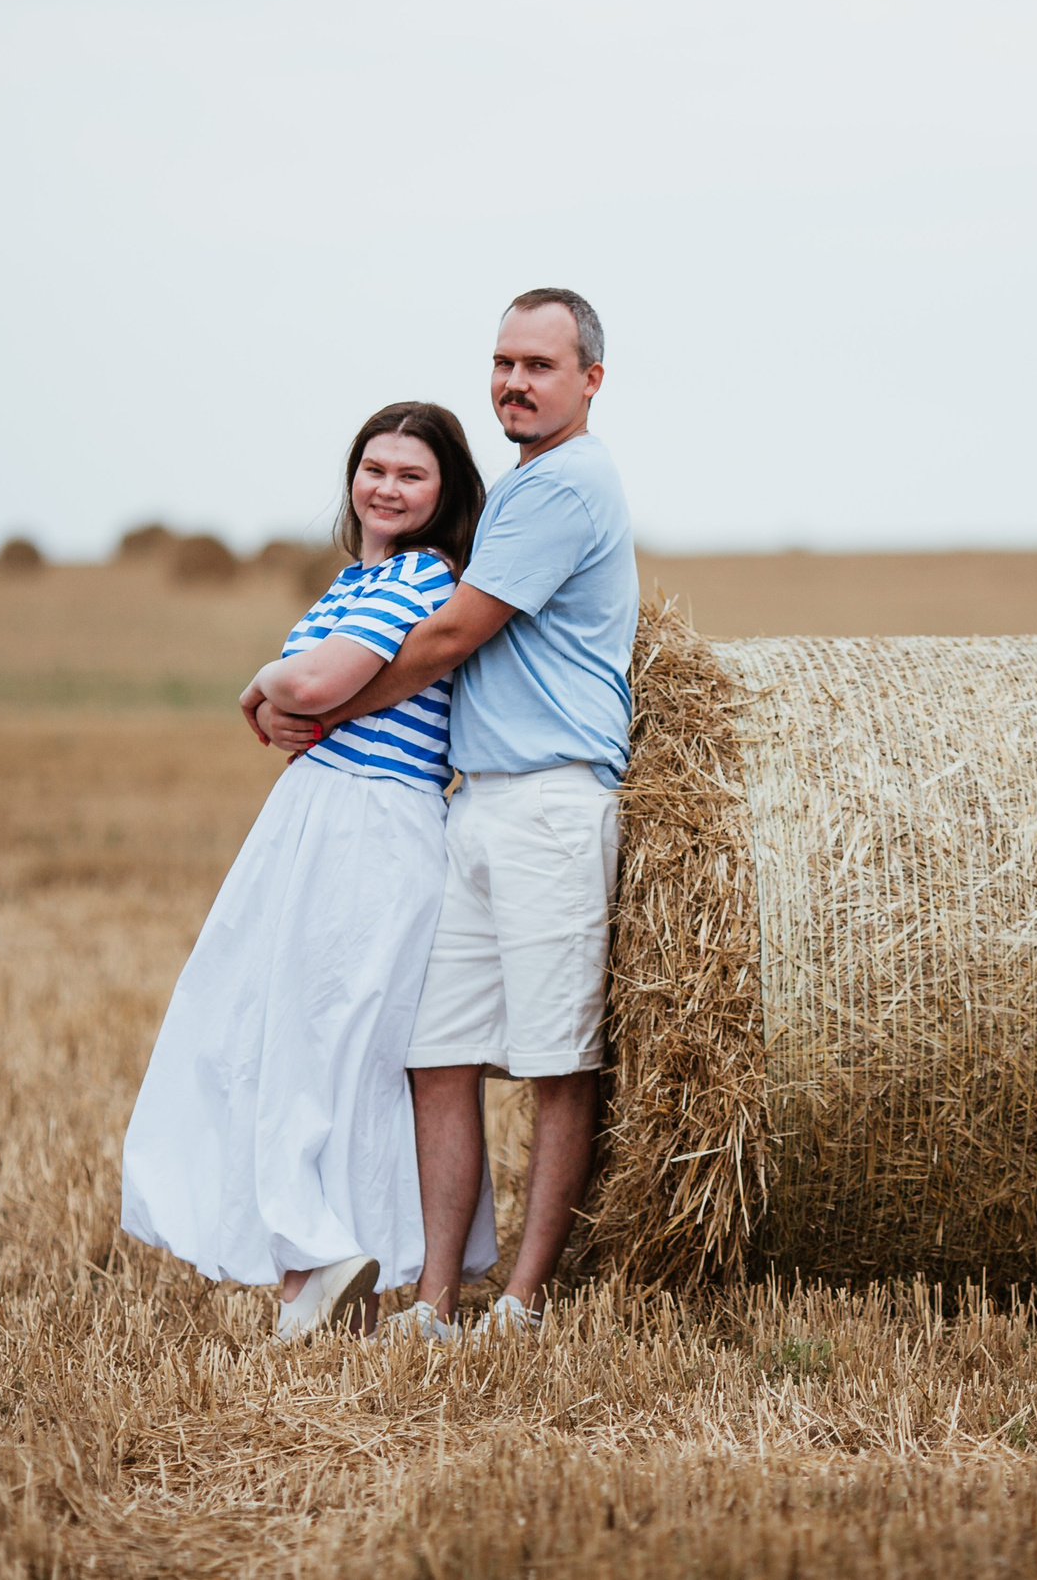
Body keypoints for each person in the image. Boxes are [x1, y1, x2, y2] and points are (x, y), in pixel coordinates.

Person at [267, 287, 636, 1342]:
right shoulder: (525, 488)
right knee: (439, 1055)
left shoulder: (568, 485)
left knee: (556, 1063)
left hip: (551, 805)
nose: (515, 382)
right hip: (475, 806)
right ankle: (435, 1301)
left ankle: (519, 1303)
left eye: (541, 365)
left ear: (590, 381)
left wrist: (321, 712)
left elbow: (444, 641)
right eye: (503, 362)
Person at [120, 401, 489, 1342]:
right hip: (325, 816)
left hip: (365, 821)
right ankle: (329, 1280)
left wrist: (260, 675)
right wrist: (283, 686)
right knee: (296, 1041)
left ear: (444, 491)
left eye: (412, 473)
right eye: (375, 467)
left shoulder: (422, 575)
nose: (388, 487)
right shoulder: (348, 584)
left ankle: (317, 1260)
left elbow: (313, 689)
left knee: (322, 1046)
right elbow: (305, 695)